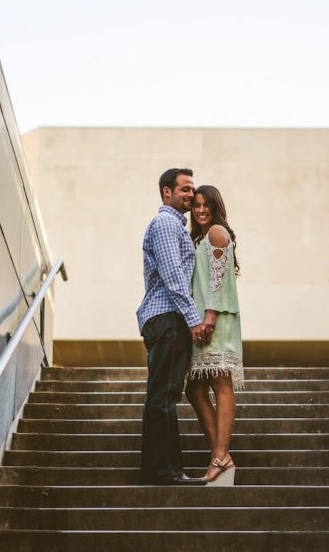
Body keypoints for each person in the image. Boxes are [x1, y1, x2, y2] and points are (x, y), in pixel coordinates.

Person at [136, 168, 213, 485]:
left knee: (163, 394)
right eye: (184, 188)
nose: (190, 194)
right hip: (168, 317)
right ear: (166, 192)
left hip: (167, 318)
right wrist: (193, 319)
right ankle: (164, 470)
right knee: (164, 396)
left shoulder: (173, 226)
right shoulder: (166, 223)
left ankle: (160, 468)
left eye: (191, 188)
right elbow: (173, 277)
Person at [184, 185, 244, 485]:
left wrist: (209, 316)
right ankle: (219, 454)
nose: (200, 210)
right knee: (194, 389)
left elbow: (219, 283)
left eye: (206, 204)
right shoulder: (202, 237)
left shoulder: (217, 232)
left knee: (221, 383)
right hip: (202, 320)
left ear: (215, 206)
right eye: (195, 205)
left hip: (216, 321)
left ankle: (220, 455)